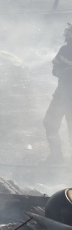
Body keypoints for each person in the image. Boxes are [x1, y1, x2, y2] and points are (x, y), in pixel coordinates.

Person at [44, 23, 72, 163]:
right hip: (61, 95)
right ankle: (56, 157)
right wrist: (62, 72)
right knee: (50, 123)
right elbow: (55, 69)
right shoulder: (64, 50)